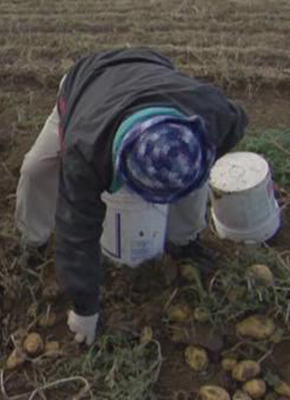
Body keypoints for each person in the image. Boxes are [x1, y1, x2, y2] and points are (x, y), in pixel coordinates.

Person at [15, 48, 248, 345]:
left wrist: (196, 163)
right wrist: (84, 307)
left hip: (152, 69)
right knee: (36, 169)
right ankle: (31, 240)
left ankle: (185, 241)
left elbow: (235, 123)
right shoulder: (84, 148)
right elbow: (77, 229)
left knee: (191, 176)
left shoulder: (213, 111)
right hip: (86, 84)